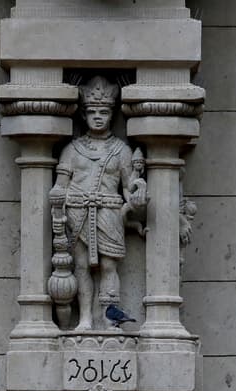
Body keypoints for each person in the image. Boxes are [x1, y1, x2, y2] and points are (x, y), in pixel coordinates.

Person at [50, 76, 146, 329]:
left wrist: (137, 196)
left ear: (112, 114)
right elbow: (61, 184)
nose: (98, 117)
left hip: (109, 213)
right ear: (83, 115)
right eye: (92, 112)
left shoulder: (122, 150)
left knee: (108, 266)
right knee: (81, 265)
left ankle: (107, 317)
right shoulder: (71, 150)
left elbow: (128, 188)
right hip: (78, 212)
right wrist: (57, 201)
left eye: (103, 112)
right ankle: (84, 319)